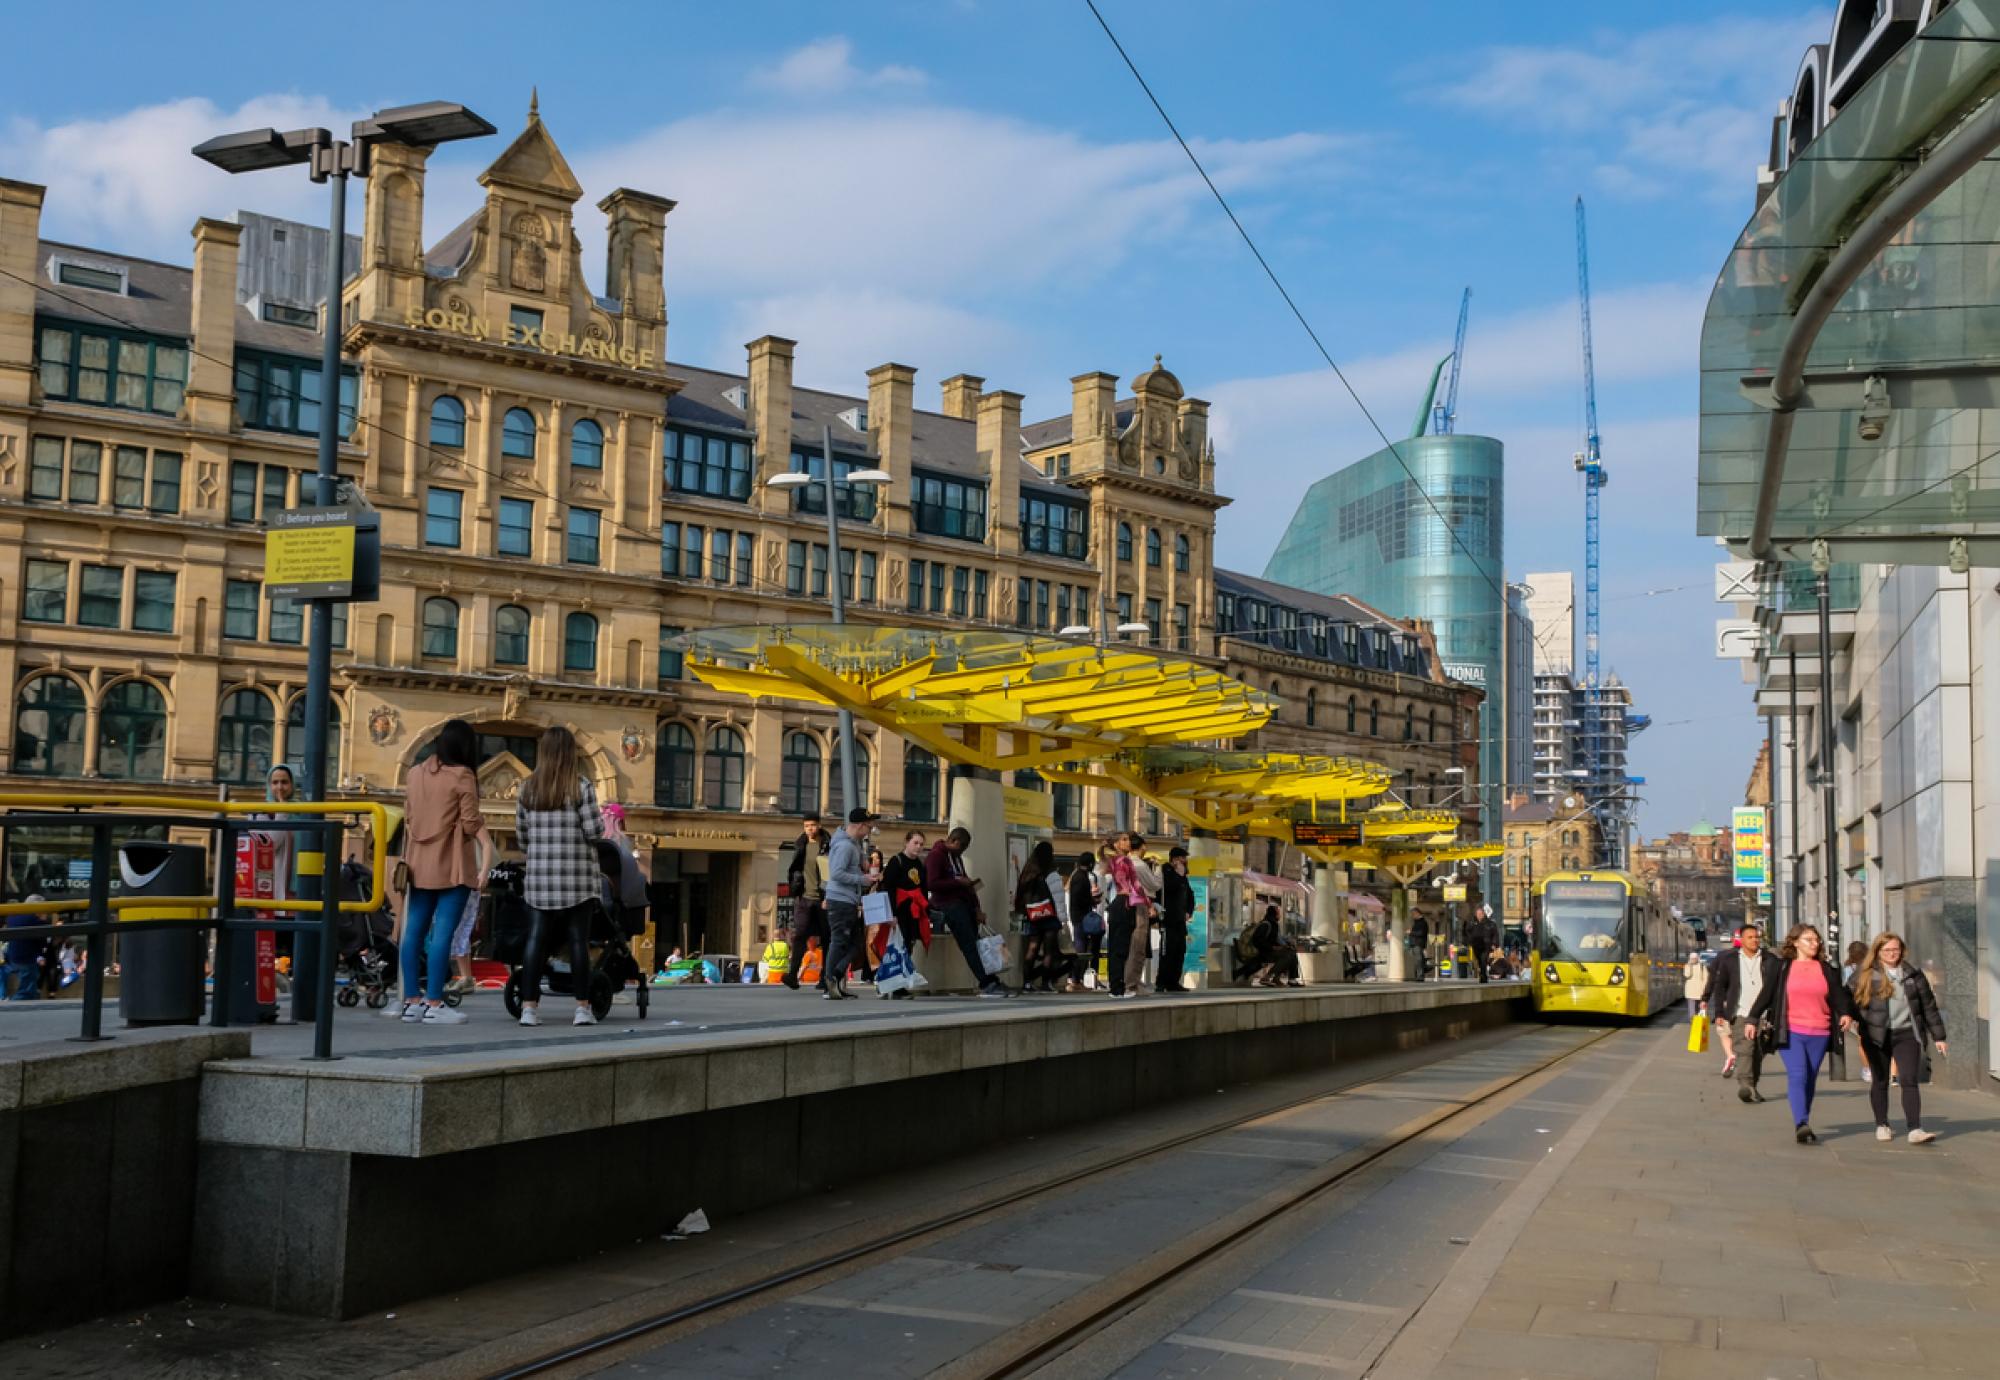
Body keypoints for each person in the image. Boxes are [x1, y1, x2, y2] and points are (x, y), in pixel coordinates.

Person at [399, 720, 491, 1025]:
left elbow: (410, 815)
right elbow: (470, 822)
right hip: (452, 864)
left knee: (413, 930)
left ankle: (411, 1000)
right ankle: (435, 1002)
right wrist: (487, 850)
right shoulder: (462, 776)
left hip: (418, 861)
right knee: (442, 935)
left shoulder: (414, 774)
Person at [515, 726, 609, 1027]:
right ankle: (582, 1008)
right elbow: (595, 832)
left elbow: (522, 839)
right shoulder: (581, 787)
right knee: (578, 941)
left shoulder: (527, 788)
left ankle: (529, 1008)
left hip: (540, 880)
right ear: (571, 754)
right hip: (577, 879)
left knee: (536, 941)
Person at [1744, 923, 1857, 1145]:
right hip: (1791, 1030)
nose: (1814, 944)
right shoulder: (1782, 967)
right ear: (1795, 942)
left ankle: (1803, 1116)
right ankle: (1801, 1123)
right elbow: (1766, 994)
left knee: (1810, 1079)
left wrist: (1845, 1013)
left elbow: (1838, 996)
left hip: (1820, 1031)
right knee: (1798, 1075)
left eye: (1816, 940)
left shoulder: (1827, 969)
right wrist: (1752, 1019)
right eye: (1808, 940)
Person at [1849, 933, 1947, 1144]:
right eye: (1887, 950)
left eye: (1896, 949)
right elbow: (1848, 999)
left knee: (1909, 1080)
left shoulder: (1913, 975)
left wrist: (1939, 1036)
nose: (1892, 954)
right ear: (1878, 952)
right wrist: (1855, 1019)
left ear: (1902, 950)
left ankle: (1915, 1128)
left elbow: (1928, 1007)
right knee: (1881, 1080)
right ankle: (1882, 1124)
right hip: (1877, 1035)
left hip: (1906, 1034)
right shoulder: (1866, 974)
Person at [925, 826, 1009, 997]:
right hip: (949, 905)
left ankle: (991, 979)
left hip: (964, 905)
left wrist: (977, 908)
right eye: (962, 846)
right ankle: (986, 983)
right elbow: (932, 884)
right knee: (969, 945)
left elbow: (968, 886)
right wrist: (958, 883)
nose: (962, 850)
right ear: (953, 841)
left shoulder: (956, 858)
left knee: (977, 944)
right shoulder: (936, 856)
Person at [1704, 922, 1779, 1099]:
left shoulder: (1770, 960)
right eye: (1750, 937)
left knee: (1758, 1052)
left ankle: (1752, 1085)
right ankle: (1745, 1084)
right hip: (1740, 1013)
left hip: (1764, 1015)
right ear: (1742, 940)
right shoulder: (1729, 960)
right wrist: (1720, 1013)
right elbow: (1720, 987)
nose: (1754, 941)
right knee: (1745, 1049)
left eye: (1756, 937)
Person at [821, 808, 877, 1001]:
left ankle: (834, 980)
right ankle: (832, 979)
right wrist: (863, 879)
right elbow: (836, 873)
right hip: (841, 899)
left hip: (846, 899)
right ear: (860, 826)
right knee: (840, 941)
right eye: (869, 827)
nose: (870, 830)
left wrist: (862, 865)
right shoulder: (845, 846)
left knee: (853, 943)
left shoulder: (851, 844)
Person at [782, 814, 830, 992]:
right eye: (806, 825)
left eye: (813, 825)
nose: (810, 828)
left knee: (827, 938)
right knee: (799, 935)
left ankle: (826, 978)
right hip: (803, 897)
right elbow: (794, 868)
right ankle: (792, 975)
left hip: (823, 898)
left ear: (819, 826)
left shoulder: (827, 844)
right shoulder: (800, 843)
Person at [878, 831, 929, 998]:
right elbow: (889, 889)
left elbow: (922, 888)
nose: (919, 847)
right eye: (916, 843)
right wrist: (892, 914)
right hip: (899, 911)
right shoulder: (896, 861)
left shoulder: (920, 864)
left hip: (912, 912)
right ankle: (892, 985)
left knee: (907, 946)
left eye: (921, 844)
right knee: (896, 948)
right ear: (907, 842)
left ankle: (896, 984)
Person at [1013, 840, 1066, 993]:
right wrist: (1062, 918)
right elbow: (1058, 898)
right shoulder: (1051, 873)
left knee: (1032, 948)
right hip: (1049, 915)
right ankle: (1046, 983)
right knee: (1049, 951)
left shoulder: (1028, 871)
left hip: (1033, 914)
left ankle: (1027, 983)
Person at [1157, 847, 1194, 993]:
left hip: (1180, 920)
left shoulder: (1183, 876)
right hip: (1168, 919)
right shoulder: (1166, 872)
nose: (1185, 862)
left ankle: (1173, 981)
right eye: (1182, 858)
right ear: (1174, 859)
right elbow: (1169, 888)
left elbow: (1190, 895)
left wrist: (1189, 911)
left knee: (1179, 951)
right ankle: (1162, 982)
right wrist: (1178, 875)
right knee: (1167, 952)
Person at [1068, 850, 1104, 990]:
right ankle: (1075, 980)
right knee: (1081, 948)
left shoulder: (1079, 875)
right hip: (1080, 917)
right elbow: (1079, 898)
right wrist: (1092, 900)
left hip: (1079, 916)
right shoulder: (1081, 877)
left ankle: (1078, 979)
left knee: (1083, 947)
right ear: (1090, 863)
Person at [2, 893, 48, 1000]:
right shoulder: (34, 920)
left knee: (30, 985)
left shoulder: (13, 916)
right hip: (26, 959)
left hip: (13, 957)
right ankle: (13, 1005)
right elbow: (43, 938)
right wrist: (43, 919)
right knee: (26, 990)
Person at [1468, 909, 1499, 985]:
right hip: (1476, 945)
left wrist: (1494, 944)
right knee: (1479, 960)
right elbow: (1468, 933)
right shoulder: (1472, 923)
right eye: (1478, 914)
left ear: (1483, 914)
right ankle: (1482, 973)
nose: (1479, 915)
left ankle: (1483, 976)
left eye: (1481, 913)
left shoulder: (1490, 924)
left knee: (1483, 959)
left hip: (1486, 945)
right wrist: (1469, 942)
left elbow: (1495, 934)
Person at [1683, 949, 1709, 1019]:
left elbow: (1706, 979)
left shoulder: (1702, 966)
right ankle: (1693, 1024)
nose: (1693, 960)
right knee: (1692, 1013)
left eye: (1695, 958)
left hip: (1700, 992)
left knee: (1701, 1011)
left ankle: (1700, 1025)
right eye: (1692, 958)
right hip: (1690, 993)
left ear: (1697, 958)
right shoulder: (1687, 966)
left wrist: (1704, 989)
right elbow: (1687, 975)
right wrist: (1689, 965)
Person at [1407, 912, 1431, 981]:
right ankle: (1417, 976)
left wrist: (1411, 932)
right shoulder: (1416, 922)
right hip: (1415, 944)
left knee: (1419, 961)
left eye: (1414, 914)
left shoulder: (1422, 923)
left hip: (1418, 944)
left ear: (1418, 914)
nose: (1412, 916)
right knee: (1418, 961)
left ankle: (1420, 976)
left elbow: (1421, 933)